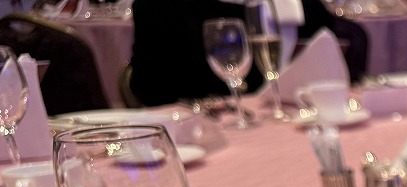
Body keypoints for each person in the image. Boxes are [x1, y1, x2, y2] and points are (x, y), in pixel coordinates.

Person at [128, 0, 367, 107]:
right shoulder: (161, 7)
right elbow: (149, 90)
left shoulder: (298, 4)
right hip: (205, 137)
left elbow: (343, 47)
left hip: (295, 124)